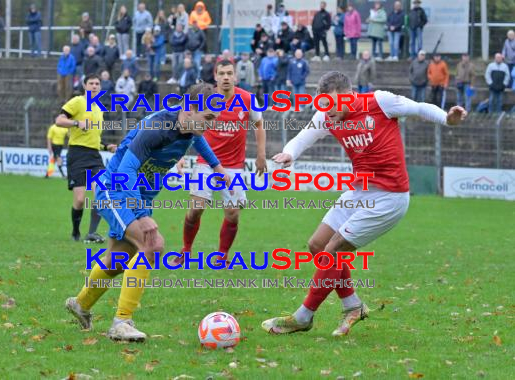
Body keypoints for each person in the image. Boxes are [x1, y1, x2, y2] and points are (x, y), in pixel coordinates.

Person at [262, 71, 467, 336]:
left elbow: (419, 108)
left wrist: (447, 119)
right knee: (317, 245)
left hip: (389, 197)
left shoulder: (379, 102)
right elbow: (303, 137)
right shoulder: (326, 114)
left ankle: (303, 317)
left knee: (333, 249)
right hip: (359, 190)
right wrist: (289, 153)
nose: (327, 111)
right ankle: (353, 305)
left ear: (349, 97)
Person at [65, 83, 231, 342]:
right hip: (115, 190)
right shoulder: (158, 128)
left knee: (119, 258)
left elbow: (198, 140)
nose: (212, 124)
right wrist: (143, 214)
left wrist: (218, 169)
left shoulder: (189, 125)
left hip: (135, 195)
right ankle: (122, 322)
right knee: (152, 244)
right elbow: (126, 171)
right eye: (208, 118)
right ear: (189, 109)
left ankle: (80, 304)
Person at [172, 60, 266, 266]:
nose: (225, 77)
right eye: (221, 73)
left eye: (229, 73)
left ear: (235, 76)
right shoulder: (205, 98)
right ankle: (186, 249)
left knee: (233, 215)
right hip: (206, 162)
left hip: (234, 166)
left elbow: (259, 125)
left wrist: (261, 155)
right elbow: (184, 125)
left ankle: (222, 256)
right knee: (196, 209)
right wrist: (179, 156)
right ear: (215, 76)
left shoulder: (248, 99)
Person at [55, 74, 118, 243]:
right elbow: (59, 120)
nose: (95, 86)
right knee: (80, 199)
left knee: (101, 192)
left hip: (94, 156)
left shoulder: (98, 108)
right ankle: (75, 231)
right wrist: (76, 123)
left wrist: (106, 146)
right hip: (77, 154)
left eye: (97, 84)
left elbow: (94, 137)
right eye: (91, 83)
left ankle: (91, 233)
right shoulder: (77, 101)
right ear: (84, 85)